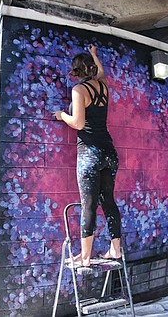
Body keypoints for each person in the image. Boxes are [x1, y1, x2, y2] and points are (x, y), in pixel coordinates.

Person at [54, 44, 122, 267]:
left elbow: (78, 123)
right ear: (91, 69)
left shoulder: (79, 90)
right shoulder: (103, 86)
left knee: (89, 205)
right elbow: (102, 73)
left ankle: (84, 257)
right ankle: (115, 250)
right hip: (109, 152)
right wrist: (95, 55)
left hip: (90, 154)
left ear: (76, 72)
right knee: (109, 201)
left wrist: (62, 114)